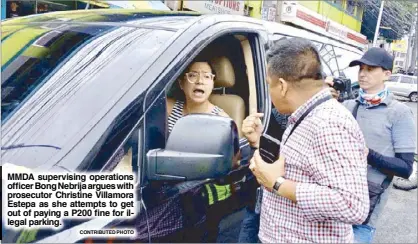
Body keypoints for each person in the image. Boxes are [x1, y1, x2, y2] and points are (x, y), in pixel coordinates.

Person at [246, 37, 370, 243]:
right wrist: (260, 142)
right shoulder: (306, 113)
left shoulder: (329, 124)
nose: (268, 92)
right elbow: (303, 166)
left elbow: (353, 205)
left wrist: (278, 184)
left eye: (269, 84)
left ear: (283, 86)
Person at [327, 47, 417, 243]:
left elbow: (405, 168)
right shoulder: (349, 105)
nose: (362, 74)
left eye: (370, 69)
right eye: (361, 69)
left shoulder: (399, 113)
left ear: (387, 74)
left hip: (366, 206)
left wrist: (368, 154)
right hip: (334, 198)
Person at [238, 108, 290, 243]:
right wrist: (256, 143)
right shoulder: (269, 115)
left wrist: (278, 184)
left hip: (289, 215)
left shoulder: (325, 122)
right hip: (256, 202)